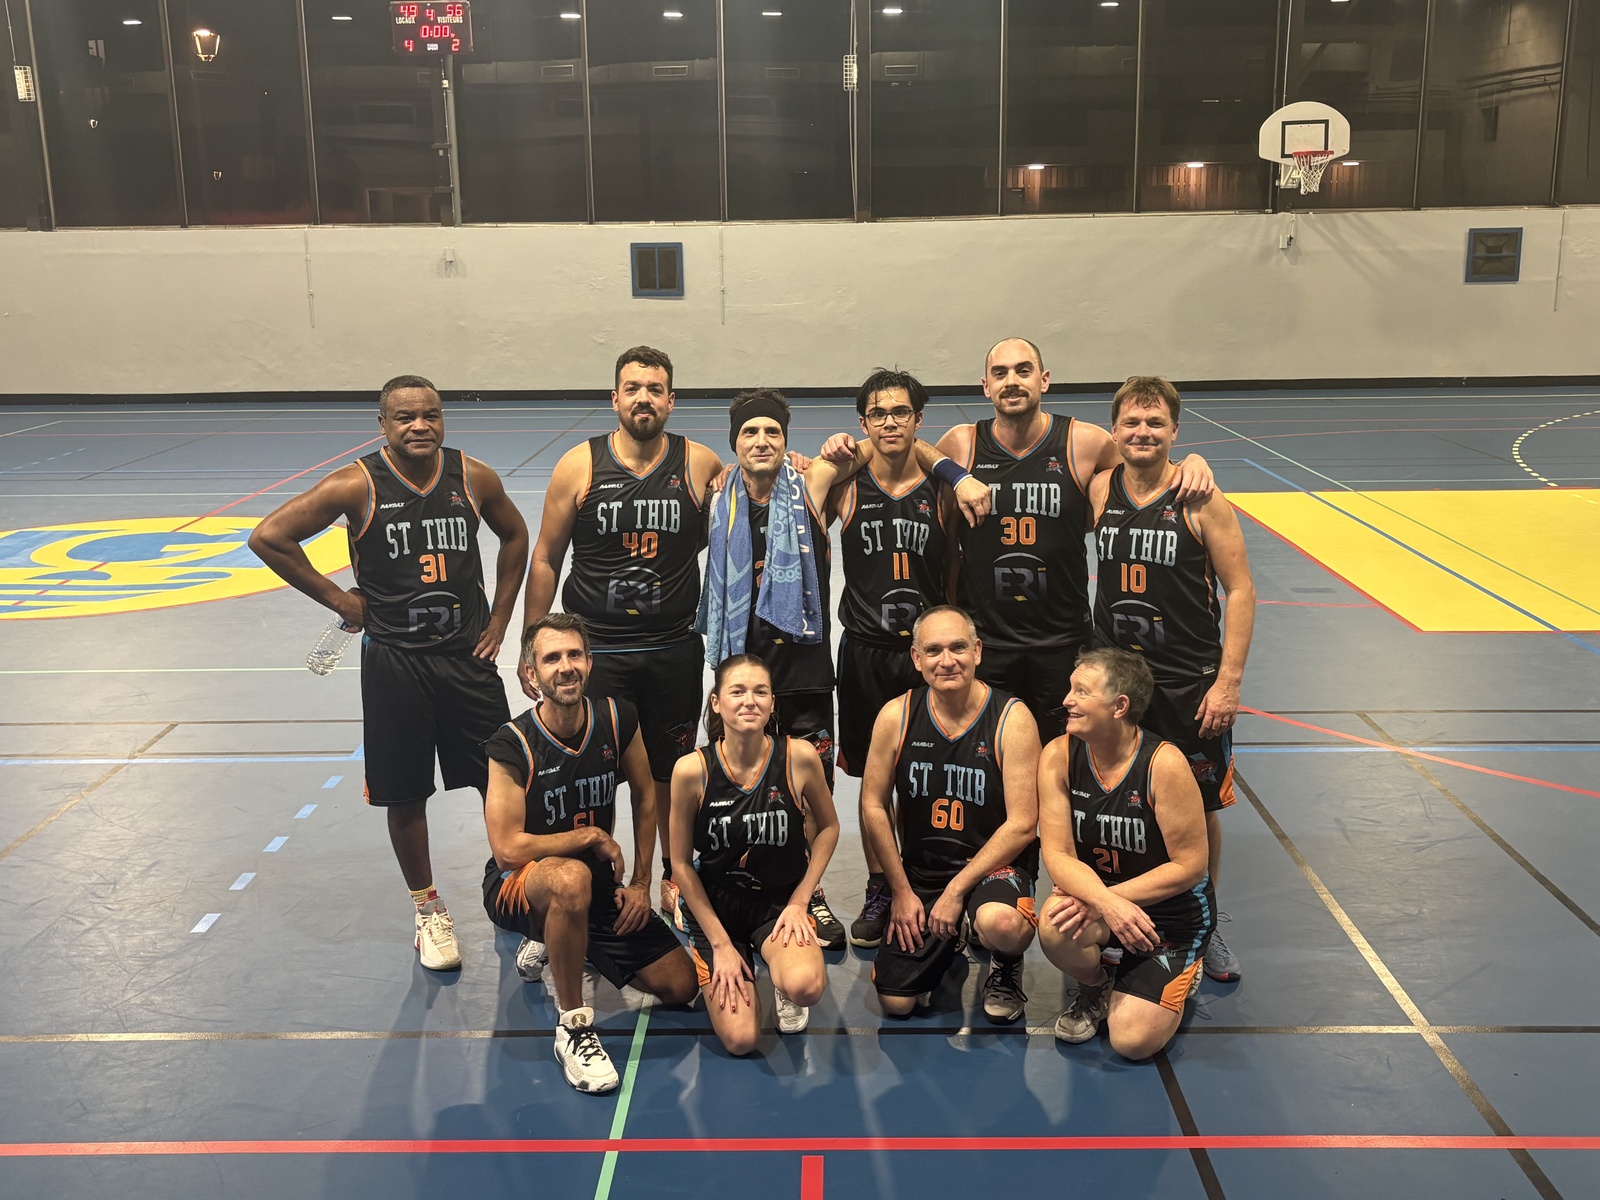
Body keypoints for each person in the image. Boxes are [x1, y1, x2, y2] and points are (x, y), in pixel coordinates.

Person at [249, 375, 528, 972]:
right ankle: (429, 910)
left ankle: (518, 891)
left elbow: (515, 534)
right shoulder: (356, 484)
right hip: (395, 663)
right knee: (404, 793)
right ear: (383, 425)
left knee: (502, 780)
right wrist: (339, 600)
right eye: (405, 417)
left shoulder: (473, 477)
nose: (420, 426)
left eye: (431, 414)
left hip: (467, 658)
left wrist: (501, 617)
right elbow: (269, 537)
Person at [702, 389, 993, 950]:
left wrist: (950, 473)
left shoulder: (811, 485)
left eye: (773, 432)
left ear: (787, 442)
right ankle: (737, 892)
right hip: (740, 666)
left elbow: (894, 443)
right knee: (736, 784)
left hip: (806, 667)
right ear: (733, 442)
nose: (761, 442)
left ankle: (819, 893)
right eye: (748, 433)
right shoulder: (717, 501)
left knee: (816, 789)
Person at [523, 347, 723, 926]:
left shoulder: (699, 464)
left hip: (672, 648)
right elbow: (546, 557)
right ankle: (588, 883)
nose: (643, 399)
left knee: (670, 772)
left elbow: (722, 535)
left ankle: (670, 878)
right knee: (592, 776)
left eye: (655, 389)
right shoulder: (579, 466)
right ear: (615, 399)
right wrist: (534, 644)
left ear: (671, 400)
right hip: (599, 652)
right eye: (632, 388)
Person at [935, 338, 1214, 735]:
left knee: (1065, 751)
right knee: (991, 750)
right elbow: (910, 456)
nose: (1012, 381)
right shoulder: (960, 444)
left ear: (1044, 380)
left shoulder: (1085, 442)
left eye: (1023, 370)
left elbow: (1144, 470)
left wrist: (1190, 462)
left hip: (1063, 640)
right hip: (988, 641)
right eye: (1000, 373)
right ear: (985, 386)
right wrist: (955, 474)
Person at [482, 614, 697, 1093]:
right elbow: (507, 849)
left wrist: (641, 883)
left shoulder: (618, 719)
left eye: (574, 655)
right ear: (531, 673)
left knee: (680, 985)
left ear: (590, 662)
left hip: (595, 884)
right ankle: (573, 1026)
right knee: (569, 880)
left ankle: (564, 938)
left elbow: (645, 794)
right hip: (520, 884)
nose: (566, 667)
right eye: (551, 658)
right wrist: (589, 837)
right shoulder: (512, 744)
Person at [1089, 375, 1255, 983]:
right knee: (1114, 798)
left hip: (1188, 681)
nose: (1143, 432)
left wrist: (1228, 682)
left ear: (1175, 431)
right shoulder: (1099, 488)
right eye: (1132, 422)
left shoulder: (1201, 499)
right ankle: (1118, 912)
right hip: (1117, 682)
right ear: (1114, 430)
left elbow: (1240, 590)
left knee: (1198, 806)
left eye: (1156, 423)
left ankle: (1203, 923)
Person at [817, 369, 963, 948]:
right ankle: (881, 884)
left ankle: (926, 881)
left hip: (927, 656)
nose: (889, 422)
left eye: (901, 412)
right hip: (865, 652)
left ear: (918, 420)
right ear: (863, 422)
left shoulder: (943, 489)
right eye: (878, 413)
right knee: (873, 780)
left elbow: (956, 569)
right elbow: (801, 501)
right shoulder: (847, 485)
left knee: (926, 773)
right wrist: (831, 456)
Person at [858, 605, 1041, 1024]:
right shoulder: (896, 715)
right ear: (916, 658)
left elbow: (1022, 825)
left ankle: (1004, 962)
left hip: (994, 868)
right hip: (923, 870)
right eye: (933, 650)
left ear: (977, 651)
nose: (947, 660)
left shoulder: (1012, 718)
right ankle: (950, 933)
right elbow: (873, 804)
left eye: (958, 647)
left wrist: (957, 891)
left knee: (1001, 924)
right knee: (897, 1004)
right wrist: (900, 891)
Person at [1037, 649, 1214, 1059]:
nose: (1067, 700)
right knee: (1053, 926)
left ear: (1119, 706)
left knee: (1132, 1042)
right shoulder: (1058, 755)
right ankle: (1097, 985)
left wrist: (1109, 901)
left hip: (1170, 917)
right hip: (1104, 903)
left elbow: (1191, 866)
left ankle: (1187, 964)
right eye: (1070, 689)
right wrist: (1106, 903)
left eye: (1082, 692)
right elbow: (1058, 854)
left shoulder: (1163, 764)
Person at [668, 655, 840, 1053]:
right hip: (717, 907)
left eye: (760, 691)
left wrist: (801, 900)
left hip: (778, 903)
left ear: (772, 702)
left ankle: (781, 978)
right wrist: (721, 944)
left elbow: (829, 828)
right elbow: (680, 863)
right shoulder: (692, 771)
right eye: (738, 691)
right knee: (741, 1040)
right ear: (716, 702)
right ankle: (716, 951)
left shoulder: (799, 757)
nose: (750, 701)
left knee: (805, 987)